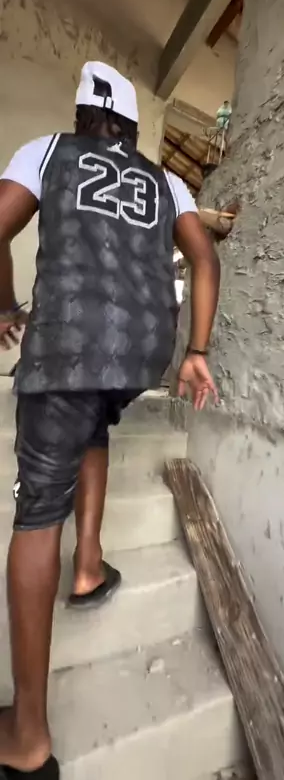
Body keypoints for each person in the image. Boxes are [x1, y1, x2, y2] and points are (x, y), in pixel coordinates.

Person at [0, 61, 220, 778]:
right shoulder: (168, 181)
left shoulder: (48, 152)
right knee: (93, 422)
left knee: (39, 512)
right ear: (130, 125)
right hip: (137, 353)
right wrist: (196, 352)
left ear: (82, 118)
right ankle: (88, 566)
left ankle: (27, 739)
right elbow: (204, 257)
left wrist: (4, 307)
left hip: (66, 343)